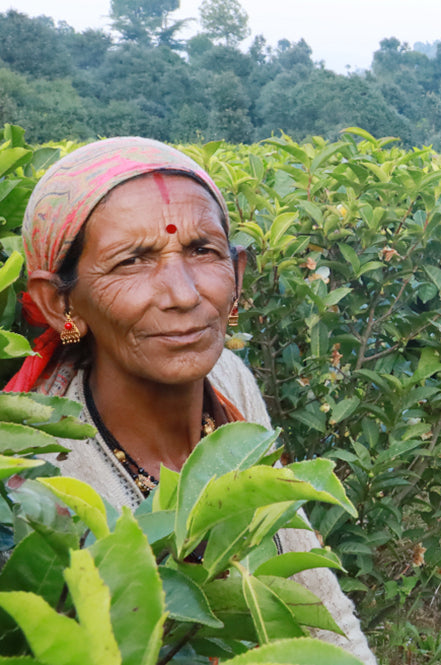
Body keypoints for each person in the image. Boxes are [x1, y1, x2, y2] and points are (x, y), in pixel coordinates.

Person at [7, 137, 376, 664]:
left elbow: (312, 580)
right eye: (133, 260)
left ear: (238, 273)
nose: (183, 294)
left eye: (203, 251)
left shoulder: (229, 379)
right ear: (60, 302)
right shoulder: (42, 469)